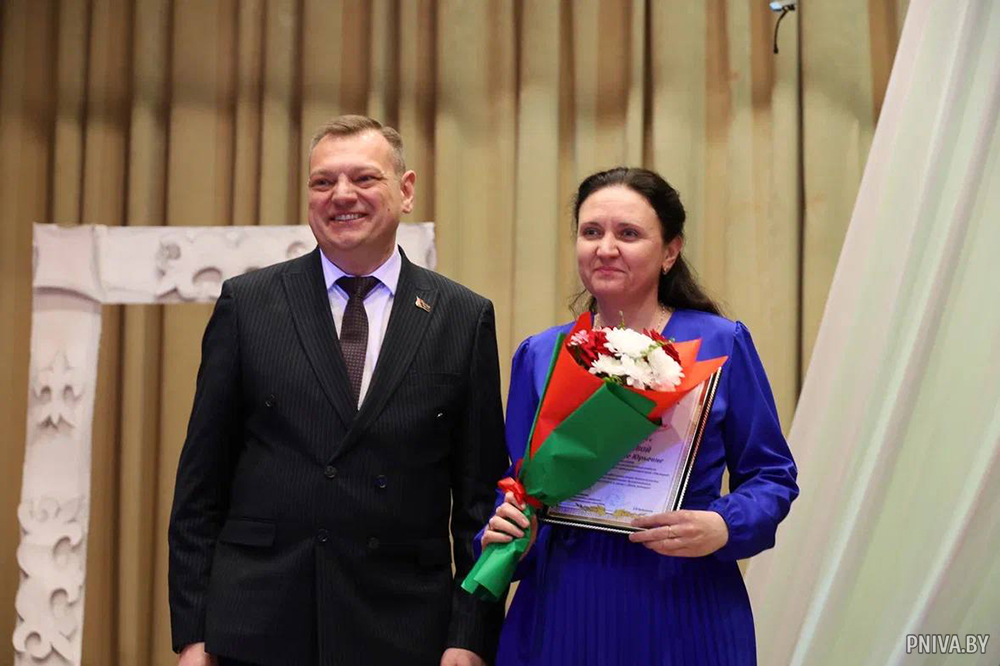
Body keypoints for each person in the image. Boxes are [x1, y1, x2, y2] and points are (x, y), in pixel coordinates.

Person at [168, 115, 508, 666]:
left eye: (364, 178)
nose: (341, 195)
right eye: (323, 182)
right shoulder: (248, 305)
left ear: (406, 190)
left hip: (403, 628)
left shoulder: (462, 317)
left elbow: (478, 504)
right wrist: (192, 633)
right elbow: (199, 489)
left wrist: (468, 637)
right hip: (258, 628)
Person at [480, 167, 799, 666]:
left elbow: (771, 475)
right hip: (564, 602)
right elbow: (518, 483)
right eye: (591, 232)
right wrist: (511, 527)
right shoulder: (540, 354)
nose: (605, 248)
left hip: (683, 595)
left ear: (670, 251)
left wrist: (724, 524)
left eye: (628, 234)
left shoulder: (720, 343)